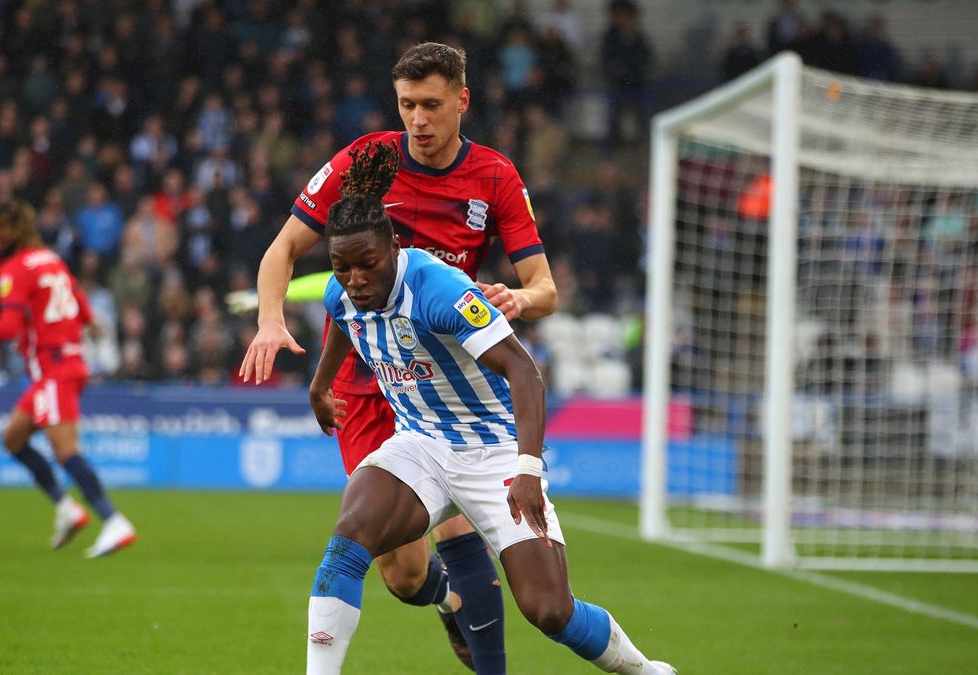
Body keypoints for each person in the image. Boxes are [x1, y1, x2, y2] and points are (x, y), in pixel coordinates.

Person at [239, 42, 558, 672]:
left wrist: (518, 299)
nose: (418, 119)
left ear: (462, 101)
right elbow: (282, 250)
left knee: (457, 527)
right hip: (366, 381)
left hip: (446, 384)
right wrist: (270, 321)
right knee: (403, 573)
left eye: (431, 105)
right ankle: (449, 600)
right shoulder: (366, 160)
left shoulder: (494, 176)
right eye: (407, 105)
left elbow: (545, 288)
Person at [304, 143, 676, 675]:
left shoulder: (440, 291)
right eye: (342, 267)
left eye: (367, 265)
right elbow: (343, 321)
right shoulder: (343, 291)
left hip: (494, 451)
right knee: (345, 547)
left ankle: (646, 670)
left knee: (551, 612)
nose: (355, 279)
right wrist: (321, 386)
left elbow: (525, 373)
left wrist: (527, 469)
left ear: (394, 247)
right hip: (421, 444)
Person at [0, 200, 136, 559]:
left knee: (66, 451)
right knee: (13, 439)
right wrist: (85, 326)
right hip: (62, 365)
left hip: (54, 370)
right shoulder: (50, 259)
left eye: (2, 227)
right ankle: (66, 509)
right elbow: (82, 305)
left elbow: (8, 328)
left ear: (17, 229)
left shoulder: (15, 269)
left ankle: (114, 521)